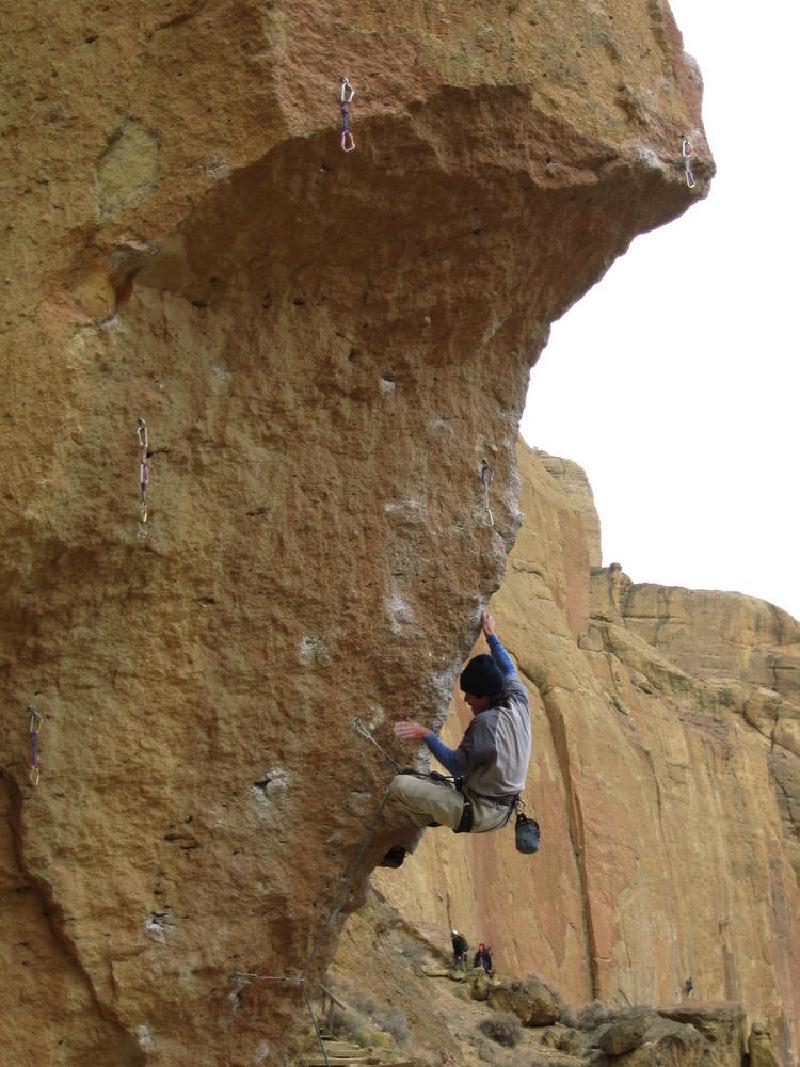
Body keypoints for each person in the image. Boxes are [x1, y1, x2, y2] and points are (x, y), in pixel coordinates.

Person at [379, 610, 530, 867]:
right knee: (429, 791)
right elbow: (508, 667)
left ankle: (396, 845)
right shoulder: (517, 697)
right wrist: (491, 637)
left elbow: (456, 765)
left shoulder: (485, 725)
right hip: (498, 809)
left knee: (398, 787)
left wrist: (425, 734)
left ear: (483, 696)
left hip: (477, 810)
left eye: (470, 695)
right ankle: (399, 848)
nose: (466, 700)